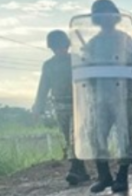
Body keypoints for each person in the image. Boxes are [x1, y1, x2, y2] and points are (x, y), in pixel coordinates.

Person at [75, 0, 132, 193]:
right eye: (100, 15)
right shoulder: (92, 43)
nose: (104, 19)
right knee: (97, 137)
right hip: (99, 97)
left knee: (124, 137)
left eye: (108, 14)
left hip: (121, 96)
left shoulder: (125, 39)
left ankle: (122, 177)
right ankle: (104, 176)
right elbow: (84, 69)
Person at [33, 30, 90, 186]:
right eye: (56, 47)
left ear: (67, 45)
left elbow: (88, 79)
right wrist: (38, 107)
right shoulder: (49, 65)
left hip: (78, 104)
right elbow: (43, 87)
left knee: (75, 136)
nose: (60, 50)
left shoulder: (76, 60)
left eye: (62, 46)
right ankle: (82, 170)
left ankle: (74, 169)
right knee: (68, 137)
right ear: (51, 48)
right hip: (59, 105)